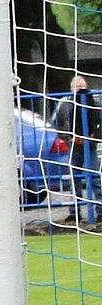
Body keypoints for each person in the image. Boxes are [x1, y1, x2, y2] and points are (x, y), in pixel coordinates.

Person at [54, 76, 101, 221]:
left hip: (90, 145)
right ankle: (75, 212)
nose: (80, 89)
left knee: (94, 178)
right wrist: (70, 137)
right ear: (71, 89)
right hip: (73, 146)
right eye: (77, 87)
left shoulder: (94, 104)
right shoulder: (65, 104)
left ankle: (99, 211)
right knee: (73, 180)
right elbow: (58, 125)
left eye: (83, 86)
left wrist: (93, 136)